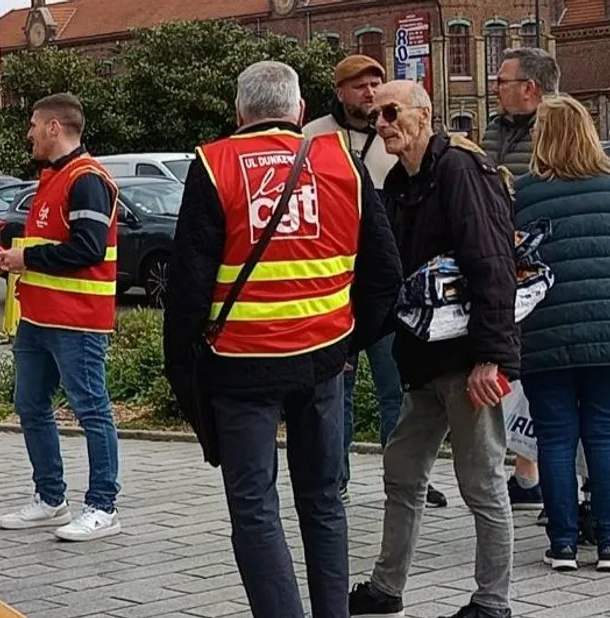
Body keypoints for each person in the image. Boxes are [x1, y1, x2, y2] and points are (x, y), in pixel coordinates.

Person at [164, 61, 402, 618]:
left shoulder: (214, 164)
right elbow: (385, 273)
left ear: (239, 112)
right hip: (323, 363)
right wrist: (348, 343)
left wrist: (184, 372)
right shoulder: (341, 161)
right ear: (299, 110)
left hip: (240, 369)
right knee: (323, 500)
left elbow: (188, 290)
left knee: (255, 508)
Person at [349, 80, 518, 618]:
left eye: (391, 112)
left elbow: (493, 264)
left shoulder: (460, 171)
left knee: (482, 482)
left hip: (467, 360)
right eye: (376, 116)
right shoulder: (401, 181)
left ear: (424, 115)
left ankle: (493, 602)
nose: (382, 124)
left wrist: (492, 358)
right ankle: (386, 588)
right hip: (422, 359)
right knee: (402, 470)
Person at [303, 55, 446, 508]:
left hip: (387, 284)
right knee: (336, 392)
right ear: (340, 91)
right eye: (360, 86)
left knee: (395, 388)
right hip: (336, 284)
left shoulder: (395, 134)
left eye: (375, 84)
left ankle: (404, 479)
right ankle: (335, 480)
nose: (369, 93)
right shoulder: (314, 136)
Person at [0, 93, 122, 542]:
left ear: (53, 128)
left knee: (91, 409)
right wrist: (9, 258)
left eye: (33, 125)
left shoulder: (87, 179)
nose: (29, 134)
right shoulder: (54, 178)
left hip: (77, 319)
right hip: (40, 317)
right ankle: (50, 499)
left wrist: (24, 258)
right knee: (30, 405)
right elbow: (50, 245)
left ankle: (103, 506)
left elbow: (88, 248)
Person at [513, 94, 610, 573]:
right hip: (606, 332)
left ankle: (563, 544)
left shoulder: (522, 194)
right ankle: (608, 543)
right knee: (604, 434)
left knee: (554, 438)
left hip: (545, 331)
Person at [483, 47, 561, 514]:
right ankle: (525, 471)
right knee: (515, 369)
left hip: (540, 263)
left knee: (545, 377)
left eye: (502, 81)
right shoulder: (496, 128)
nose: (495, 88)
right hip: (501, 259)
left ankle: (548, 478)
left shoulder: (557, 128)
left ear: (529, 88)